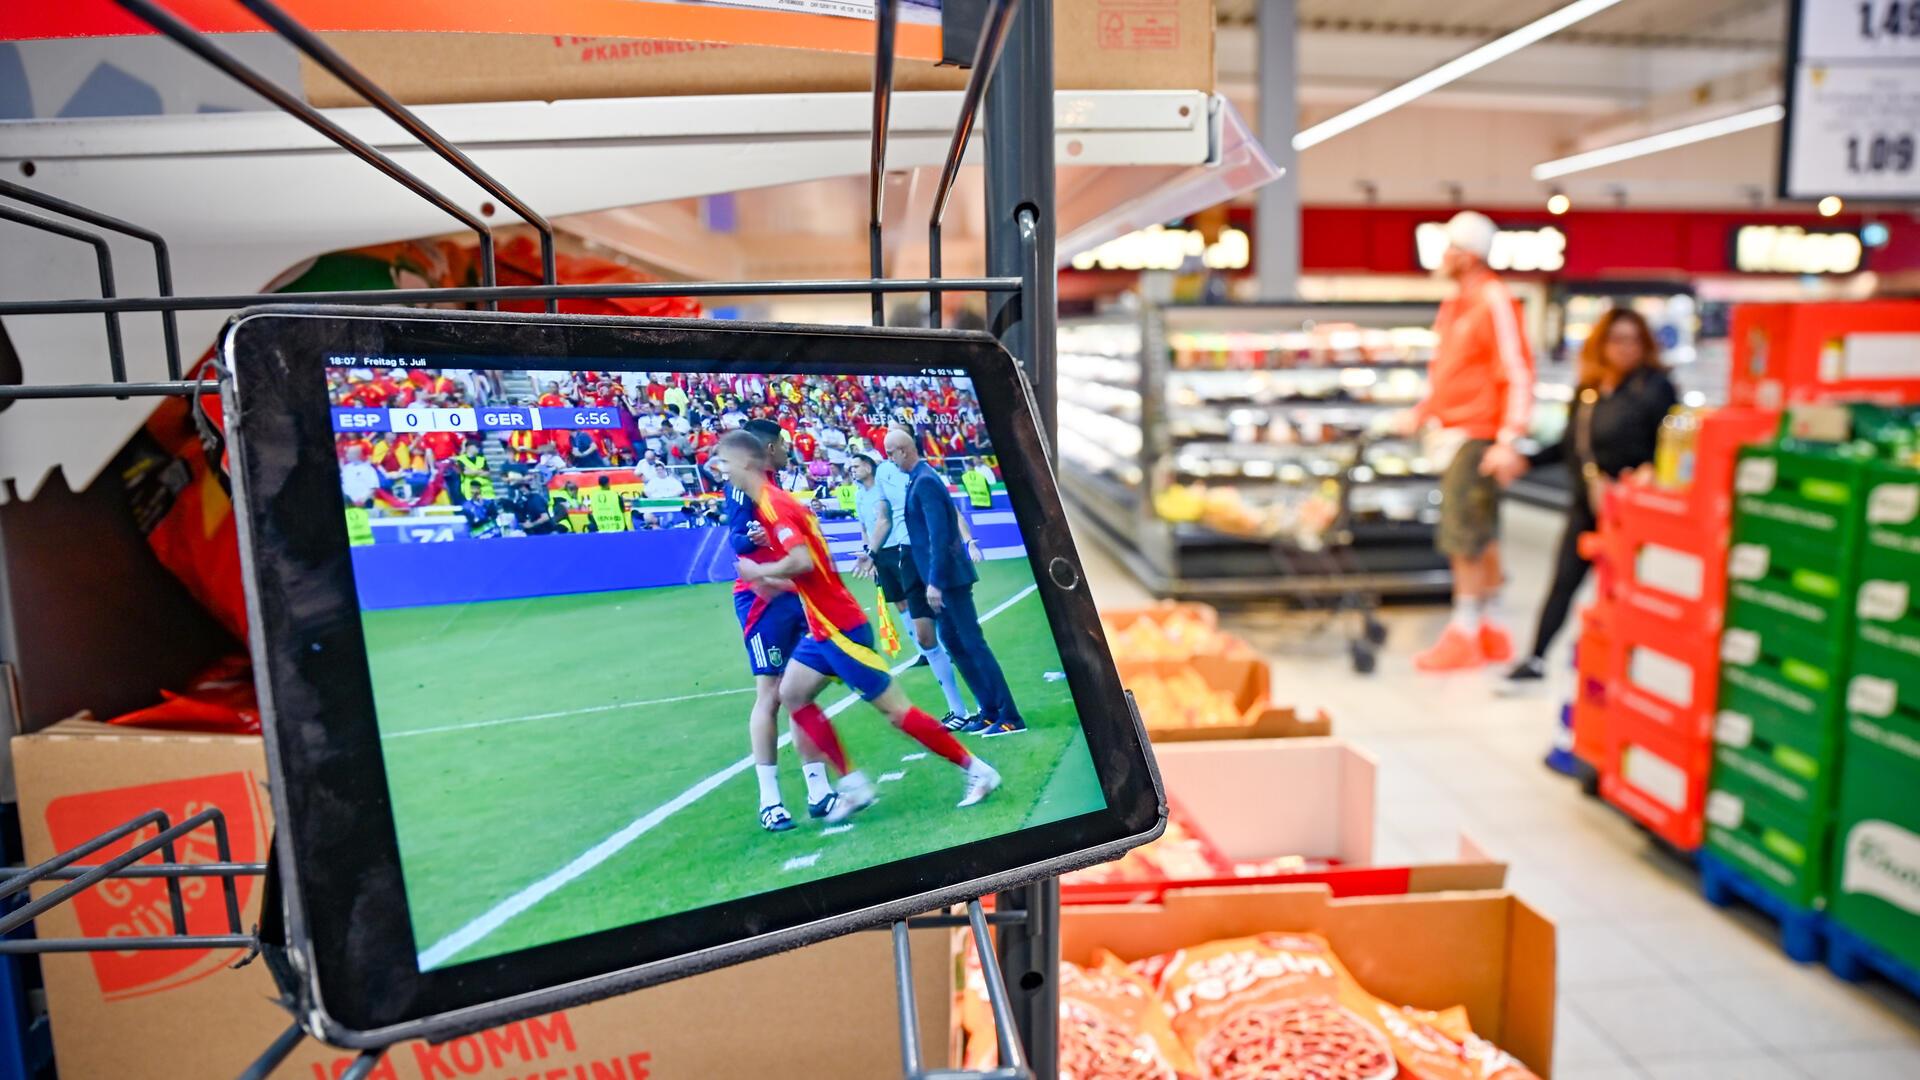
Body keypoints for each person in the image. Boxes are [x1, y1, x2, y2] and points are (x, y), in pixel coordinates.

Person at [722, 430, 1002, 826]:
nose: (723, 472)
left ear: (747, 463)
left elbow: (801, 562)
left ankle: (977, 769)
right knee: (793, 694)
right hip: (822, 626)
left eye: (726, 463)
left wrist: (759, 570)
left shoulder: (776, 505)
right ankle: (852, 784)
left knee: (896, 712)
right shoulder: (770, 503)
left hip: (838, 627)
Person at [1505, 308, 1677, 688]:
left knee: (1626, 591)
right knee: (1564, 579)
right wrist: (1526, 460)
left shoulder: (1655, 388)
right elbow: (1569, 445)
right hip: (1590, 501)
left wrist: (1649, 471)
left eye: (1633, 339)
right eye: (1617, 339)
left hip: (1633, 509)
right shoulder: (1589, 390)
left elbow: (1671, 448)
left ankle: (1628, 668)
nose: (1625, 348)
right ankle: (1536, 658)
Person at [1395, 210, 1534, 673]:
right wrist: (1423, 411)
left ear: (1469, 254)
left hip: (1478, 437)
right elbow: (1451, 371)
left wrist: (1508, 438)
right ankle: (1491, 629)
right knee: (1482, 534)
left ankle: (1465, 633)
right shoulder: (1456, 304)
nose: (1444, 255)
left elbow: (1515, 370)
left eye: (1451, 247)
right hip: (1455, 433)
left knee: (1463, 539)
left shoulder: (1493, 299)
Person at [727, 419, 837, 830]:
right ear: (769, 447)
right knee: (771, 694)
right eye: (784, 442)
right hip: (762, 601)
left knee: (801, 691)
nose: (790, 448)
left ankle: (819, 791)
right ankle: (769, 801)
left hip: (794, 593)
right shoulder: (744, 483)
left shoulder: (772, 485)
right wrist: (751, 537)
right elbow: (736, 540)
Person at [887, 429, 1025, 737]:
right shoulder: (920, 478)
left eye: (890, 452)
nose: (888, 459)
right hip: (942, 579)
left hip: (949, 580)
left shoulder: (924, 481)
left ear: (904, 450)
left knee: (972, 642)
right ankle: (989, 710)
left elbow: (940, 535)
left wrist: (934, 582)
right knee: (954, 641)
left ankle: (1010, 715)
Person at [849, 452, 975, 727]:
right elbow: (865, 527)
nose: (853, 471)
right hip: (883, 556)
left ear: (870, 466)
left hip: (901, 552)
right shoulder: (859, 494)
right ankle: (958, 703)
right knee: (913, 620)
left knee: (942, 629)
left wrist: (871, 551)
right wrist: (870, 554)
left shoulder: (889, 479)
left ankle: (971, 705)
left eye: (856, 466)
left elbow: (886, 520)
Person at [643, 463, 688, 528]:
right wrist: (652, 497)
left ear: (664, 470)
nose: (659, 471)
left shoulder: (672, 480)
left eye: (660, 469)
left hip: (672, 504)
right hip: (657, 505)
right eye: (657, 470)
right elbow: (646, 491)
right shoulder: (653, 481)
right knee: (647, 516)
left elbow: (681, 490)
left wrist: (671, 496)